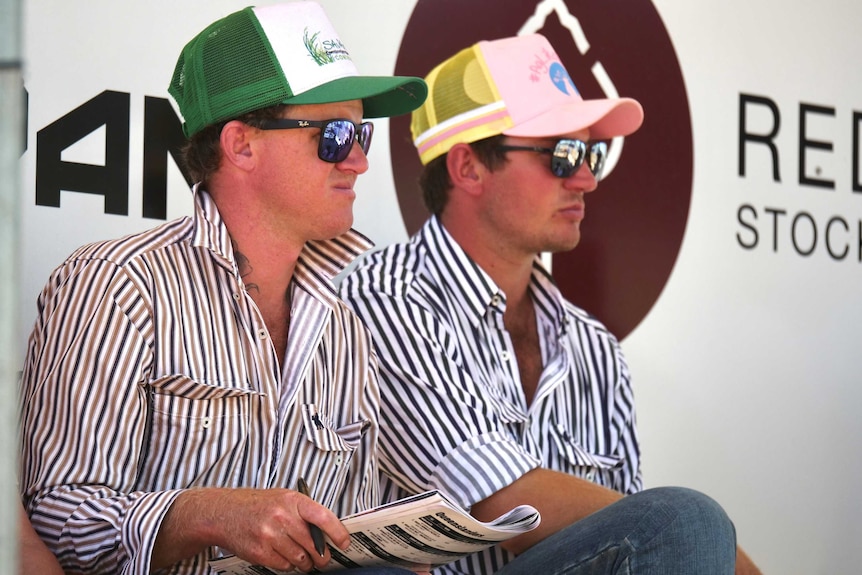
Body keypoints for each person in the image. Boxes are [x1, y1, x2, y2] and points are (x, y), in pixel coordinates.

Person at [18, 2, 428, 574]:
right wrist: (202, 515)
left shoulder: (362, 300)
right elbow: (59, 519)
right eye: (335, 135)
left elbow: (368, 518)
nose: (359, 160)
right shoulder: (118, 285)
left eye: (361, 133)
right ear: (241, 145)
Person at [340, 34, 761, 574]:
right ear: (468, 167)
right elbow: (505, 506)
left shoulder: (595, 347)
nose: (585, 178)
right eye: (561, 153)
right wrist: (706, 542)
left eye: (592, 153)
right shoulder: (386, 296)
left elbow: (622, 549)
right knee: (684, 520)